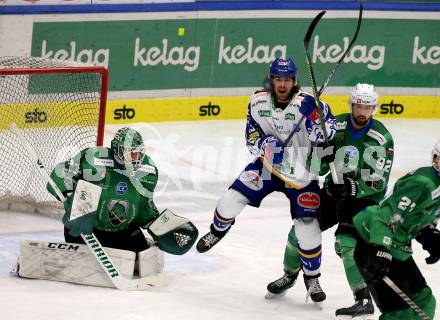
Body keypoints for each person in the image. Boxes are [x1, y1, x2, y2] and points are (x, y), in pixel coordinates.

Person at [196, 57, 337, 303]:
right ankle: (218, 230)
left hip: (302, 173)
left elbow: (330, 132)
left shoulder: (311, 104)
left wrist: (319, 128)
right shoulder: (258, 100)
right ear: (271, 80)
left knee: (307, 228)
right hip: (269, 166)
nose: (282, 84)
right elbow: (251, 136)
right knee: (229, 200)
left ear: (294, 82)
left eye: (287, 80)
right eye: (278, 79)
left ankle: (312, 278)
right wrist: (265, 144)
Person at [316, 83, 394, 317]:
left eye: (367, 107)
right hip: (333, 192)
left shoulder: (381, 138)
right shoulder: (335, 126)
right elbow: (318, 168)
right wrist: (322, 150)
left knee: (346, 243)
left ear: (374, 108)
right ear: (351, 104)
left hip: (363, 200)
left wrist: (352, 186)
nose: (362, 112)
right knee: (302, 228)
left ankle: (363, 299)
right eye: (358, 106)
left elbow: (378, 182)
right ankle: (292, 276)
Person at [352, 140, 440, 319]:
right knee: (401, 315)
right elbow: (386, 215)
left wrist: (429, 233)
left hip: (398, 248)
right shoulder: (423, 183)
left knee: (425, 302)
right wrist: (380, 250)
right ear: (435, 159)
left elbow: (420, 215)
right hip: (374, 246)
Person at [47, 127, 160, 254]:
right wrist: (69, 196)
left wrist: (159, 227)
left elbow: (144, 206)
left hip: (123, 232)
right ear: (117, 149)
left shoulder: (148, 170)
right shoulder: (93, 158)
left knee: (140, 264)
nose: (135, 158)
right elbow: (61, 173)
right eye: (130, 152)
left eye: (138, 153)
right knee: (86, 267)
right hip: (85, 228)